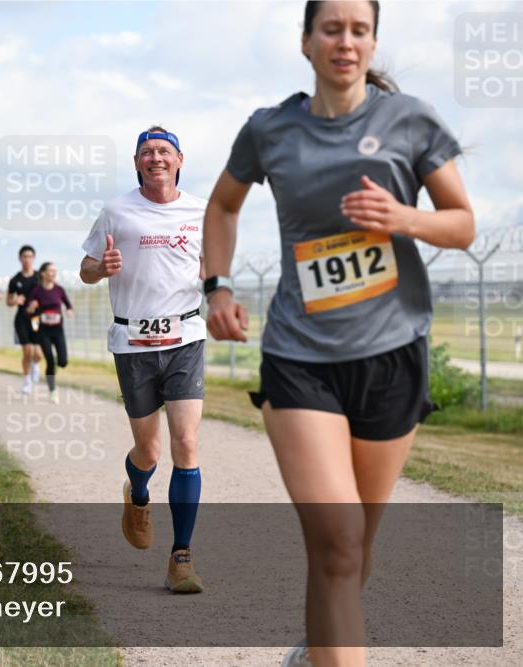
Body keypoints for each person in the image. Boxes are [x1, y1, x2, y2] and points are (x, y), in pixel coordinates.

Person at [203, 2, 475, 665]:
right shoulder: (270, 130)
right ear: (306, 42)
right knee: (337, 538)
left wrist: (403, 216)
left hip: (391, 354)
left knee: (356, 550)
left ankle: (318, 649)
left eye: (359, 30)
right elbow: (222, 204)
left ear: (373, 42)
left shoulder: (408, 120)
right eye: (332, 28)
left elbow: (462, 223)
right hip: (300, 357)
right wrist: (218, 284)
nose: (345, 41)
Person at [80, 125, 208, 595]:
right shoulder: (116, 212)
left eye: (164, 151)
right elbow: (87, 269)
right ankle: (137, 494)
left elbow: (214, 265)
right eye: (147, 152)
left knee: (187, 443)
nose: (156, 157)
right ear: (136, 163)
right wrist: (102, 268)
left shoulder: (201, 211)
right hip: (132, 341)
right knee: (150, 451)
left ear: (179, 159)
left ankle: (181, 557)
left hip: (186, 335)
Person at [25, 262, 73, 403]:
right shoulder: (36, 291)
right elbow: (28, 312)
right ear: (43, 273)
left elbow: (68, 305)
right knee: (50, 361)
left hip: (58, 330)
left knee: (63, 361)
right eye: (50, 271)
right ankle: (53, 390)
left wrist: (69, 310)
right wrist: (31, 308)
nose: (53, 273)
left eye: (55, 271)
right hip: (43, 331)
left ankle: (57, 369)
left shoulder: (59, 290)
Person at [7, 245, 43, 394]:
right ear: (20, 258)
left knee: (38, 353)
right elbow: (8, 301)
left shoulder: (39, 277)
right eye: (24, 256)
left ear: (34, 258)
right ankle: (27, 381)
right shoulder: (15, 280)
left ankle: (35, 364)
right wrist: (15, 300)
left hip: (36, 318)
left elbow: (48, 295)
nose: (27, 259)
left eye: (30, 256)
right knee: (27, 351)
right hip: (21, 319)